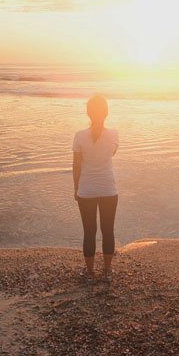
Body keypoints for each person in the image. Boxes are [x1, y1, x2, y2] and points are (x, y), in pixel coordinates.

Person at [72, 94, 119, 283]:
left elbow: (76, 165)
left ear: (88, 113)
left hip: (87, 190)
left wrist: (76, 188)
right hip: (109, 188)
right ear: (106, 113)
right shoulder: (114, 134)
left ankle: (90, 272)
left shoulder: (79, 136)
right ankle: (107, 271)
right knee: (108, 231)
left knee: (89, 232)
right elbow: (111, 153)